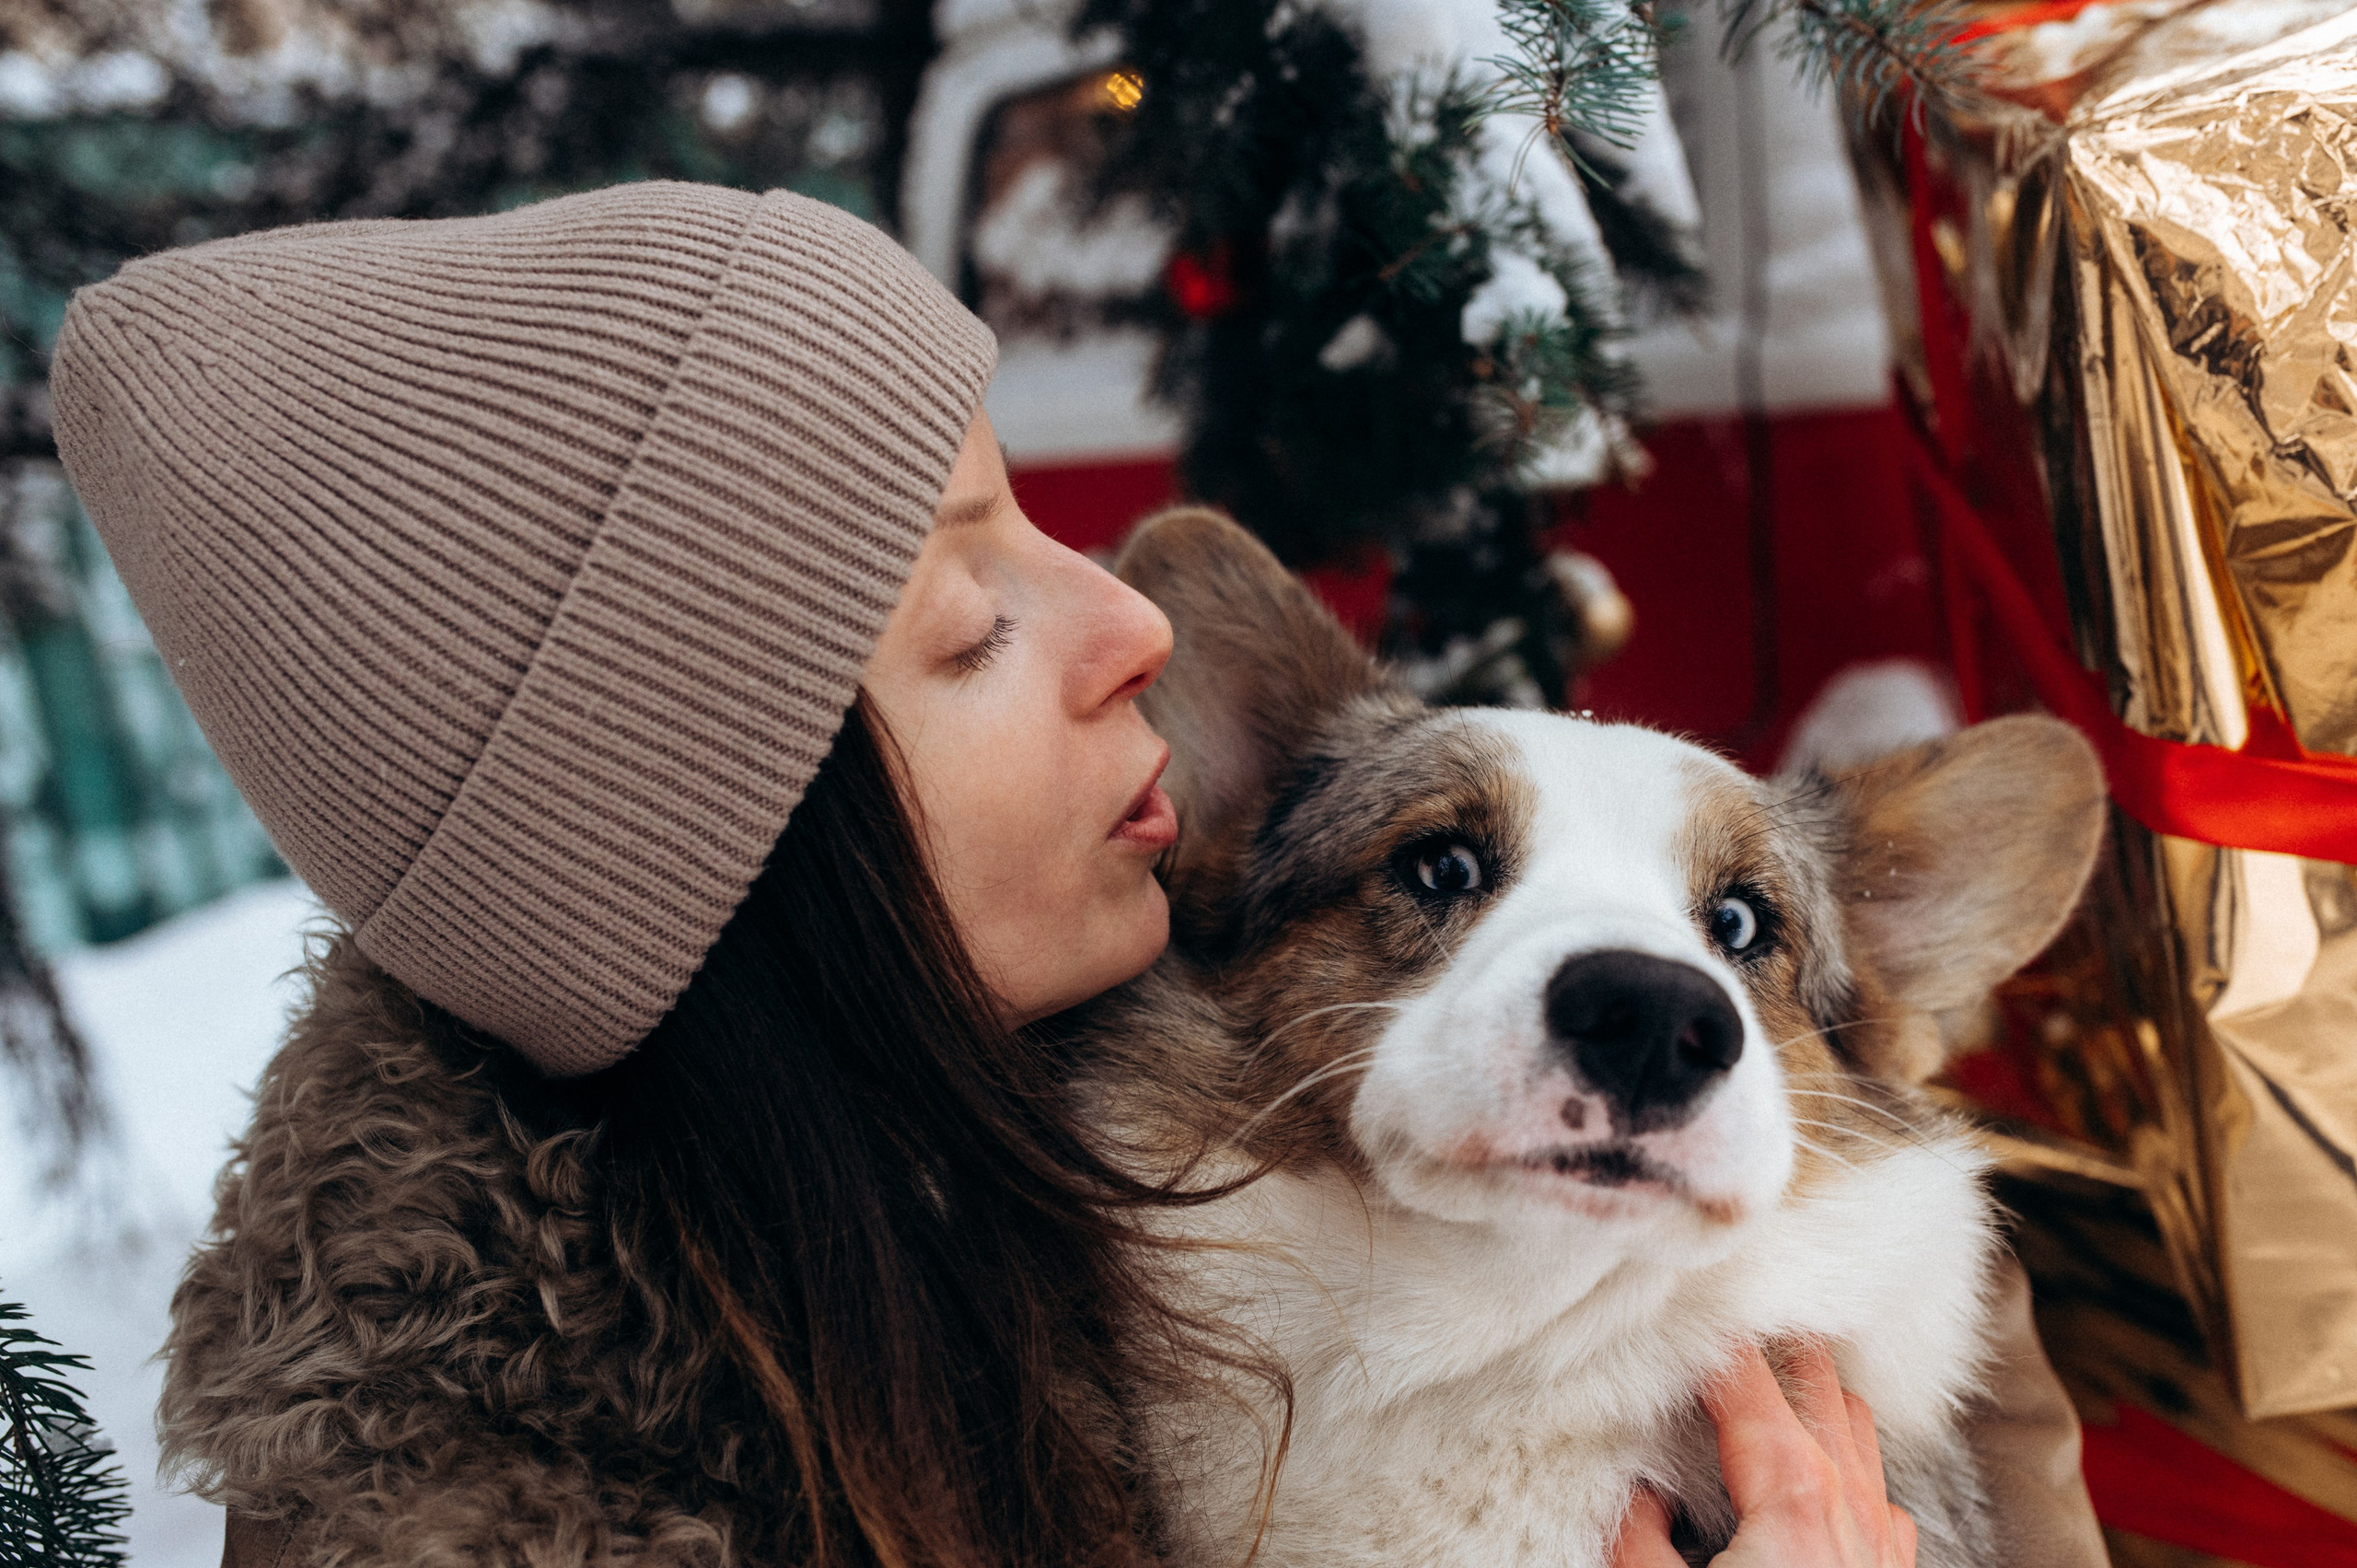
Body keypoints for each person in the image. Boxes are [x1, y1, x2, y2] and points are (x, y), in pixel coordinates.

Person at [50, 183, 2107, 1568]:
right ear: (744, 851)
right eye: (962, 628)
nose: (1130, 625)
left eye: (1029, 520)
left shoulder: (1811, 1307)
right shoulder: (508, 1479)